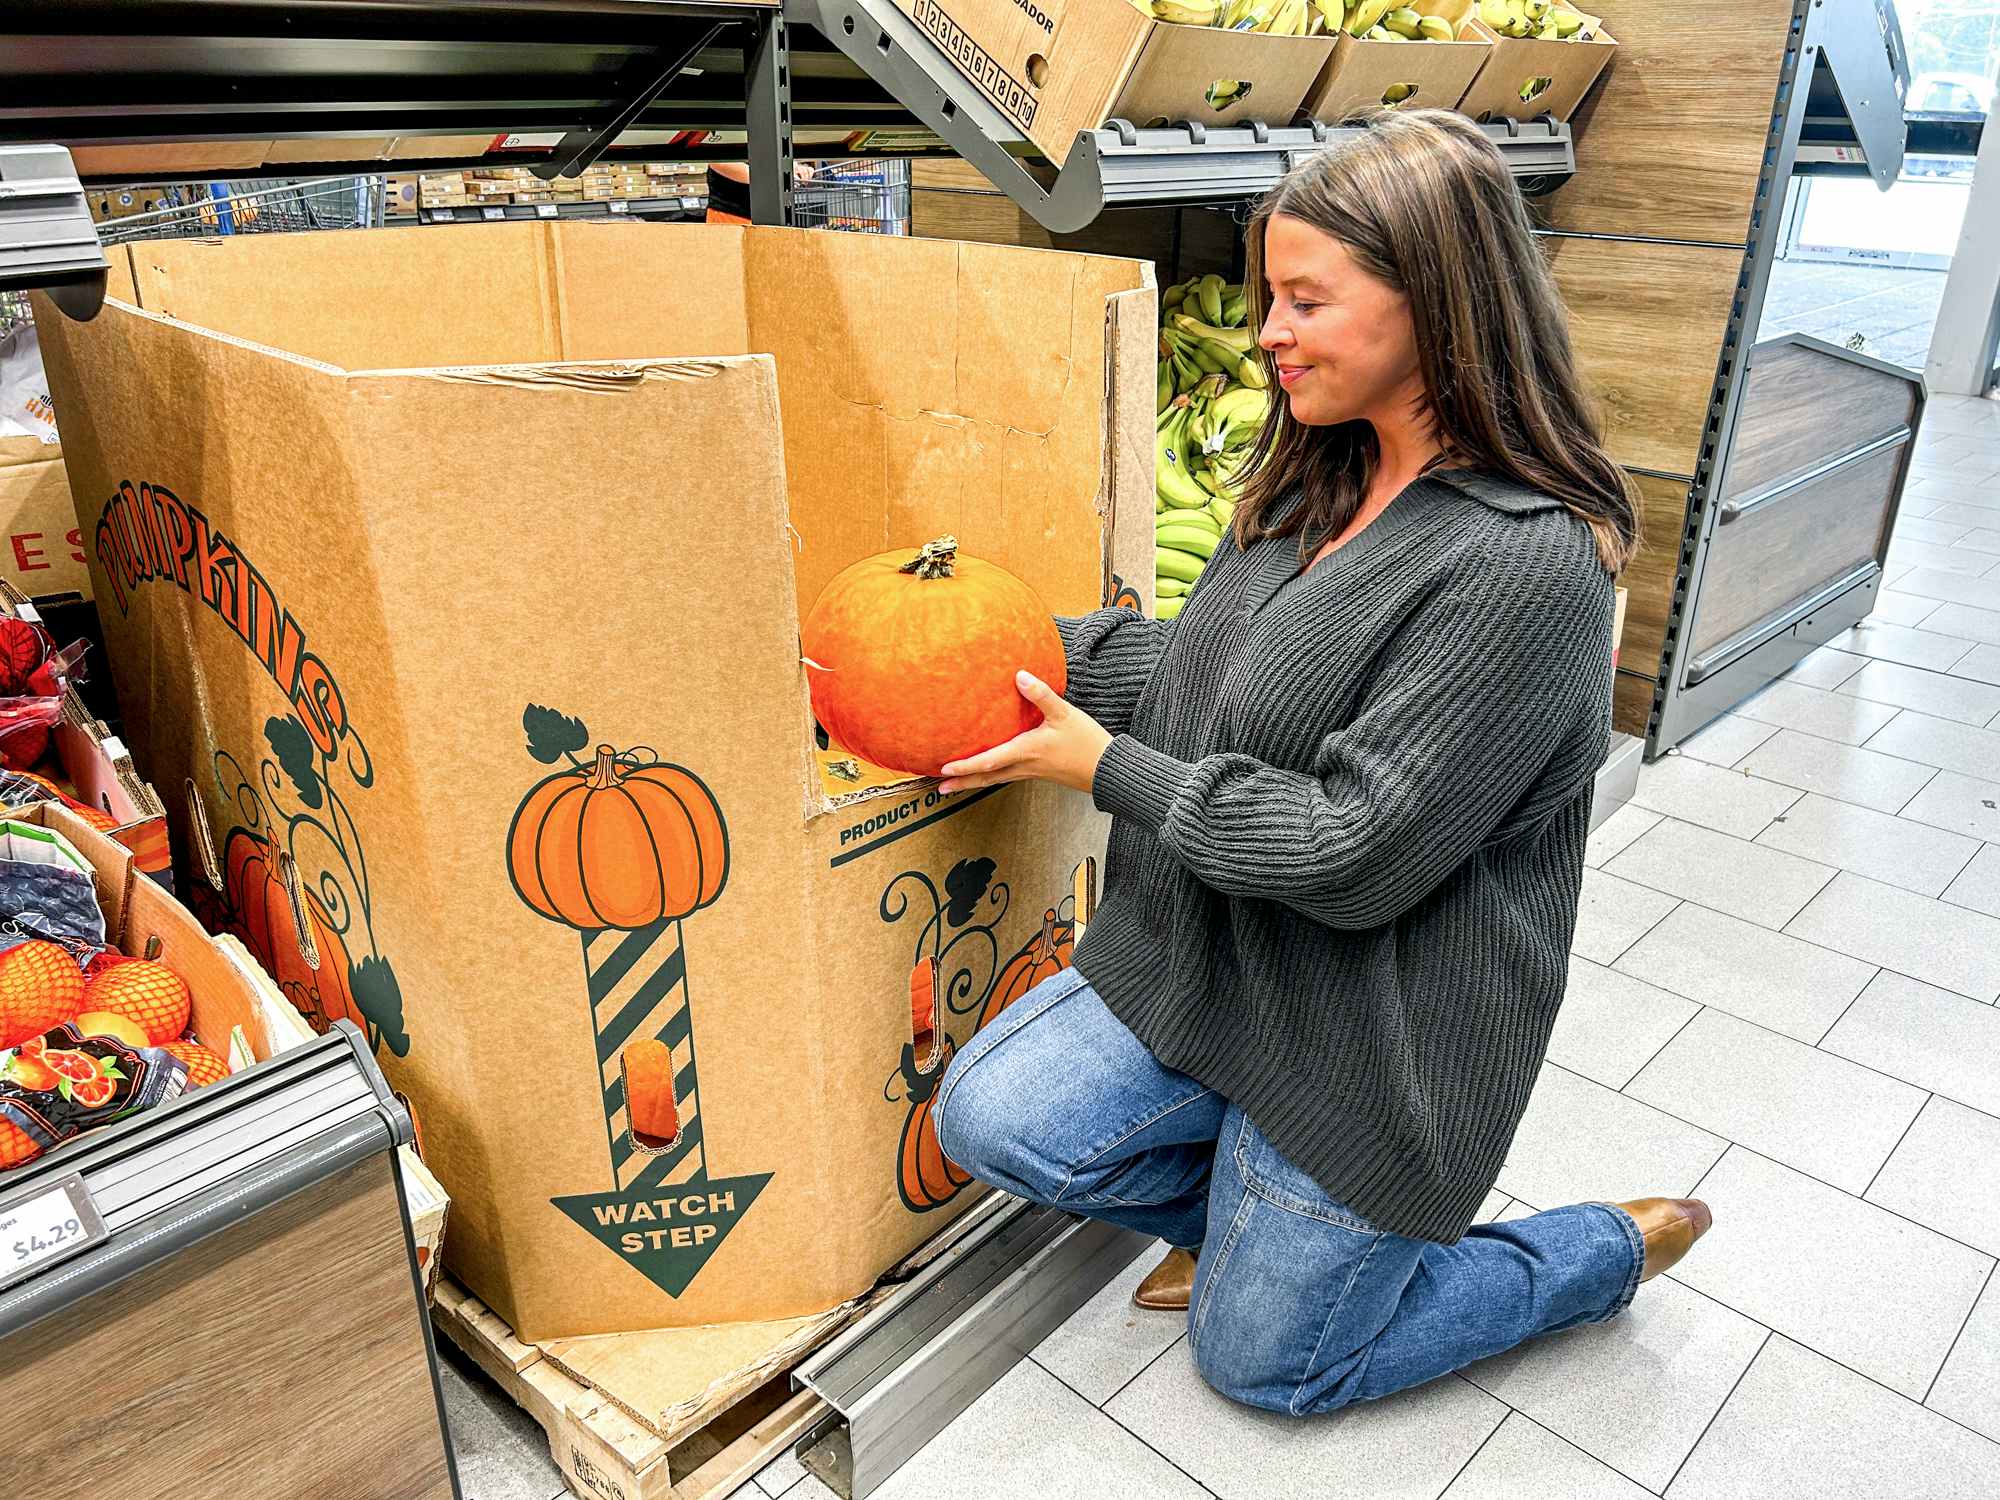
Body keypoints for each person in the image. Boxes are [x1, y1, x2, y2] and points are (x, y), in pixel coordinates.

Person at [927, 109, 1711, 1418]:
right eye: (1266, 298)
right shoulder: (1321, 472)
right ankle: (1252, 1223)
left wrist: (1101, 765)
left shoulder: (1525, 569)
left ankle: (1597, 1251)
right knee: (991, 1116)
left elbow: (1353, 849)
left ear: (1434, 305)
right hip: (1214, 964)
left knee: (1270, 1367)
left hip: (1372, 1042)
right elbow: (1211, 669)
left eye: (1303, 300)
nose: (1270, 333)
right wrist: (985, 648)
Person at [704, 160, 814, 227]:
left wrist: (798, 168)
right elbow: (719, 163)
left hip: (769, 220)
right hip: (729, 217)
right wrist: (777, 175)